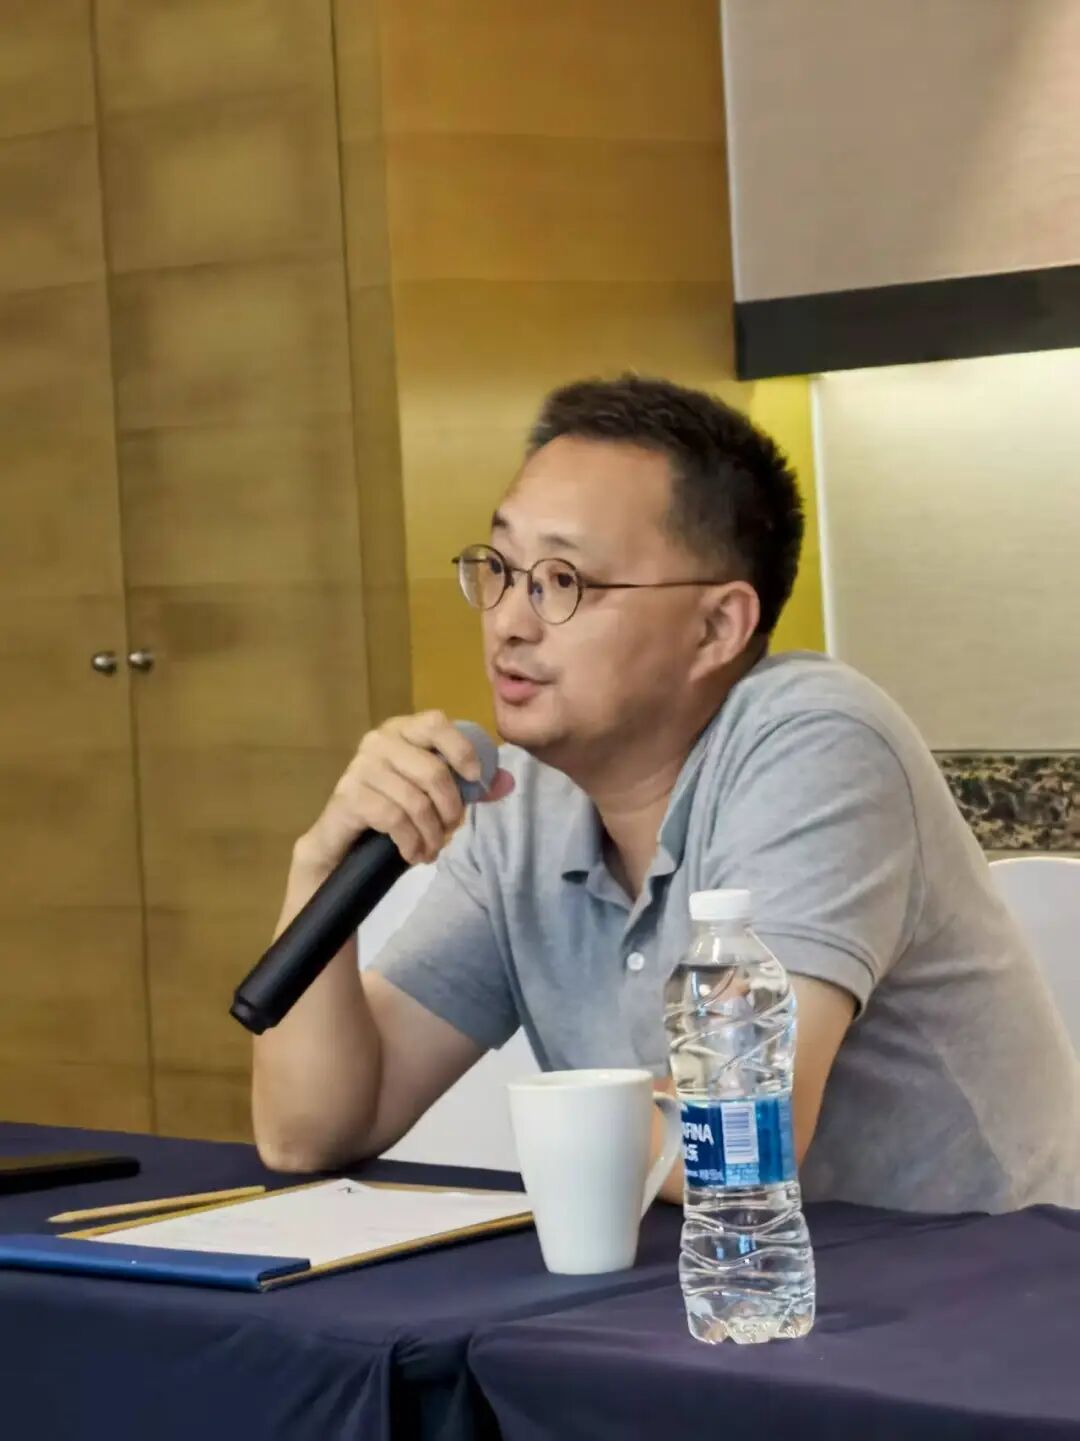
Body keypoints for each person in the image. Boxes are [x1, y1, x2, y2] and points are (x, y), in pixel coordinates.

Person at [252, 374, 1079, 1213]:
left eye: (563, 580)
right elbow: (308, 1132)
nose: (508, 620)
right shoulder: (524, 797)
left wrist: (550, 1113)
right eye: (500, 568)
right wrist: (320, 869)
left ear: (716, 626)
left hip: (980, 1277)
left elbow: (740, 1139)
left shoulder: (818, 744)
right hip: (706, 1273)